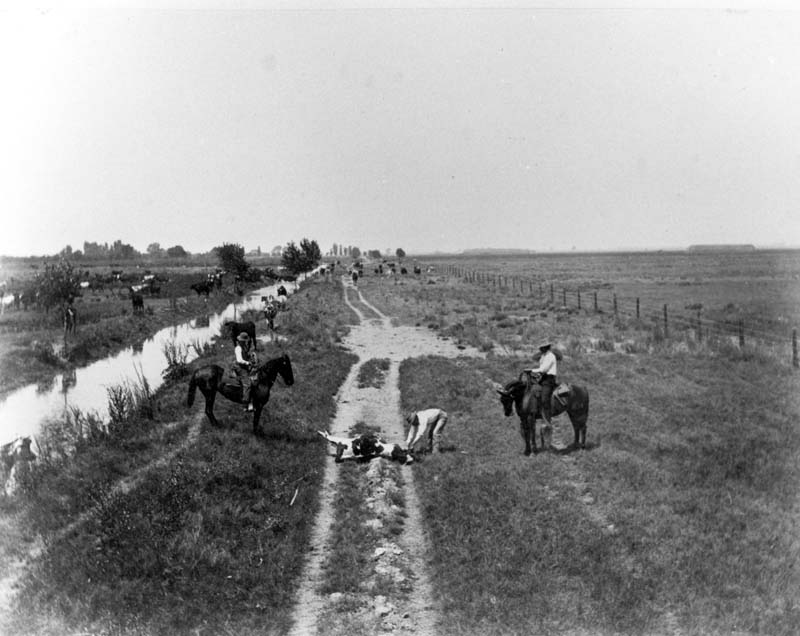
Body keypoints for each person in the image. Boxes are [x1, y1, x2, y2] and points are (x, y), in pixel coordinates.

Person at [524, 340, 558, 434]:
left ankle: (547, 421)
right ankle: (535, 411)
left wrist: (531, 370)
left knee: (544, 399)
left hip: (549, 379)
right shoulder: (543, 356)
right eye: (540, 348)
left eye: (542, 348)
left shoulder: (551, 356)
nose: (540, 349)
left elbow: (543, 369)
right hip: (543, 378)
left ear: (546, 347)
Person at [234, 332, 257, 411]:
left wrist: (251, 357)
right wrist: (248, 363)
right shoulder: (238, 348)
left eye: (244, 341)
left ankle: (252, 400)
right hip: (240, 367)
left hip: (245, 366)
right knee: (248, 384)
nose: (244, 342)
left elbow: (246, 356)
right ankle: (245, 405)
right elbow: (239, 360)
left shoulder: (244, 347)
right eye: (243, 340)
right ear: (240, 340)